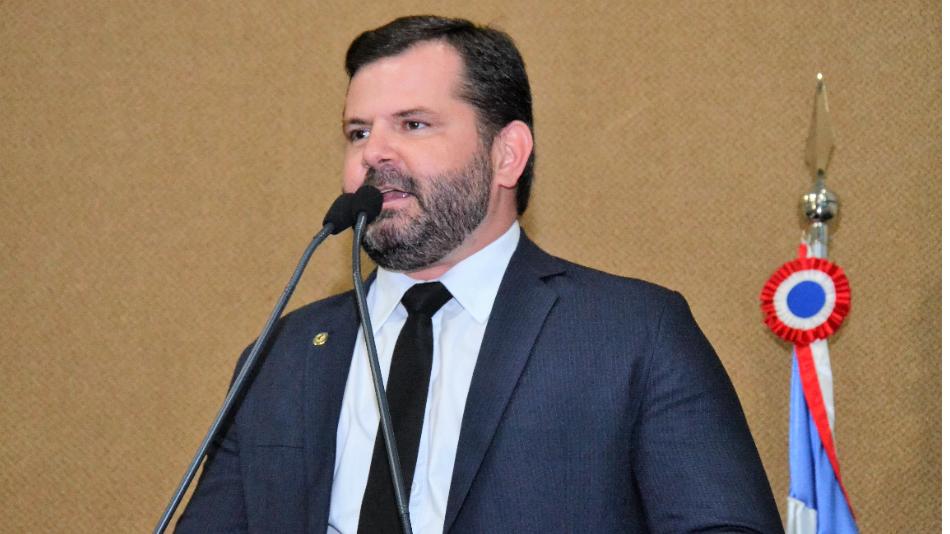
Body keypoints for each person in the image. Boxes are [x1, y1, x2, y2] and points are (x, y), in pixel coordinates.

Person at [176, 15, 783, 533]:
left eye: (413, 124)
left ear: (506, 154)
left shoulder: (631, 333)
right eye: (358, 132)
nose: (372, 154)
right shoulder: (280, 356)